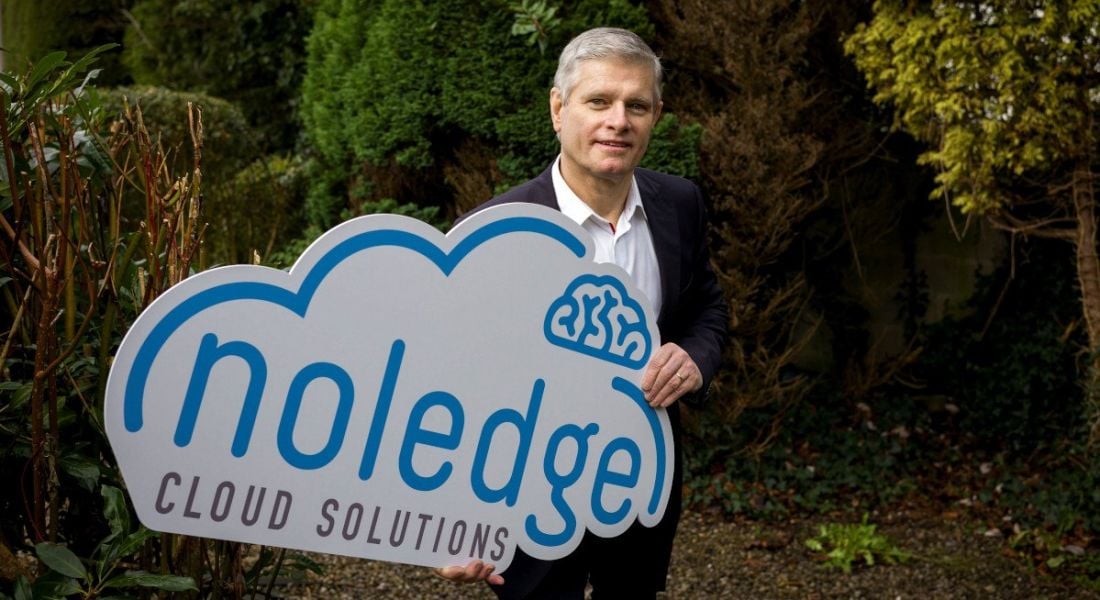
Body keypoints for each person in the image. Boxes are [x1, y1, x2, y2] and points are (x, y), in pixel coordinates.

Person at [440, 27, 727, 598]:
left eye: (636, 105)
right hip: (525, 496)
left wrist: (695, 357)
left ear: (657, 116)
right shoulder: (495, 232)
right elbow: (450, 380)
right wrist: (451, 517)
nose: (619, 120)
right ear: (558, 108)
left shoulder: (681, 204)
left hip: (639, 485)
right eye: (599, 101)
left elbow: (706, 306)